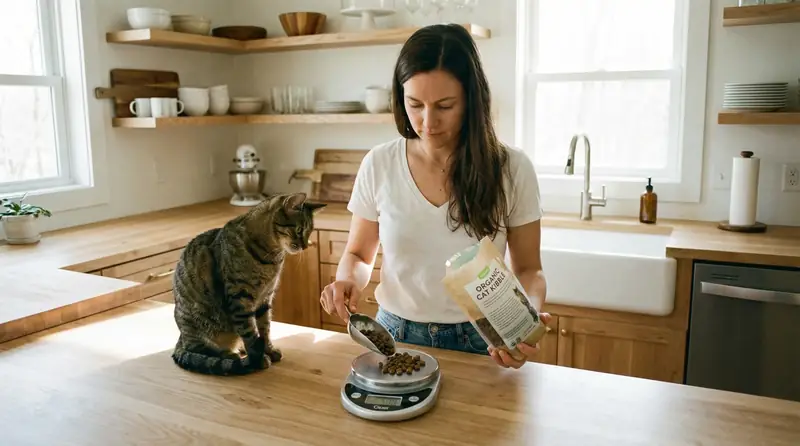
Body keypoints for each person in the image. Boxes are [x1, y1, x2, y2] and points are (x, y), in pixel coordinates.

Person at [319, 23, 550, 369]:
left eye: (444, 106)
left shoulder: (512, 169)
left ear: (472, 100)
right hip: (393, 335)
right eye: (415, 104)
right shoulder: (379, 163)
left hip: (482, 340)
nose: (427, 123)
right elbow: (358, 253)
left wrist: (523, 322)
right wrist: (348, 280)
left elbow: (529, 269)